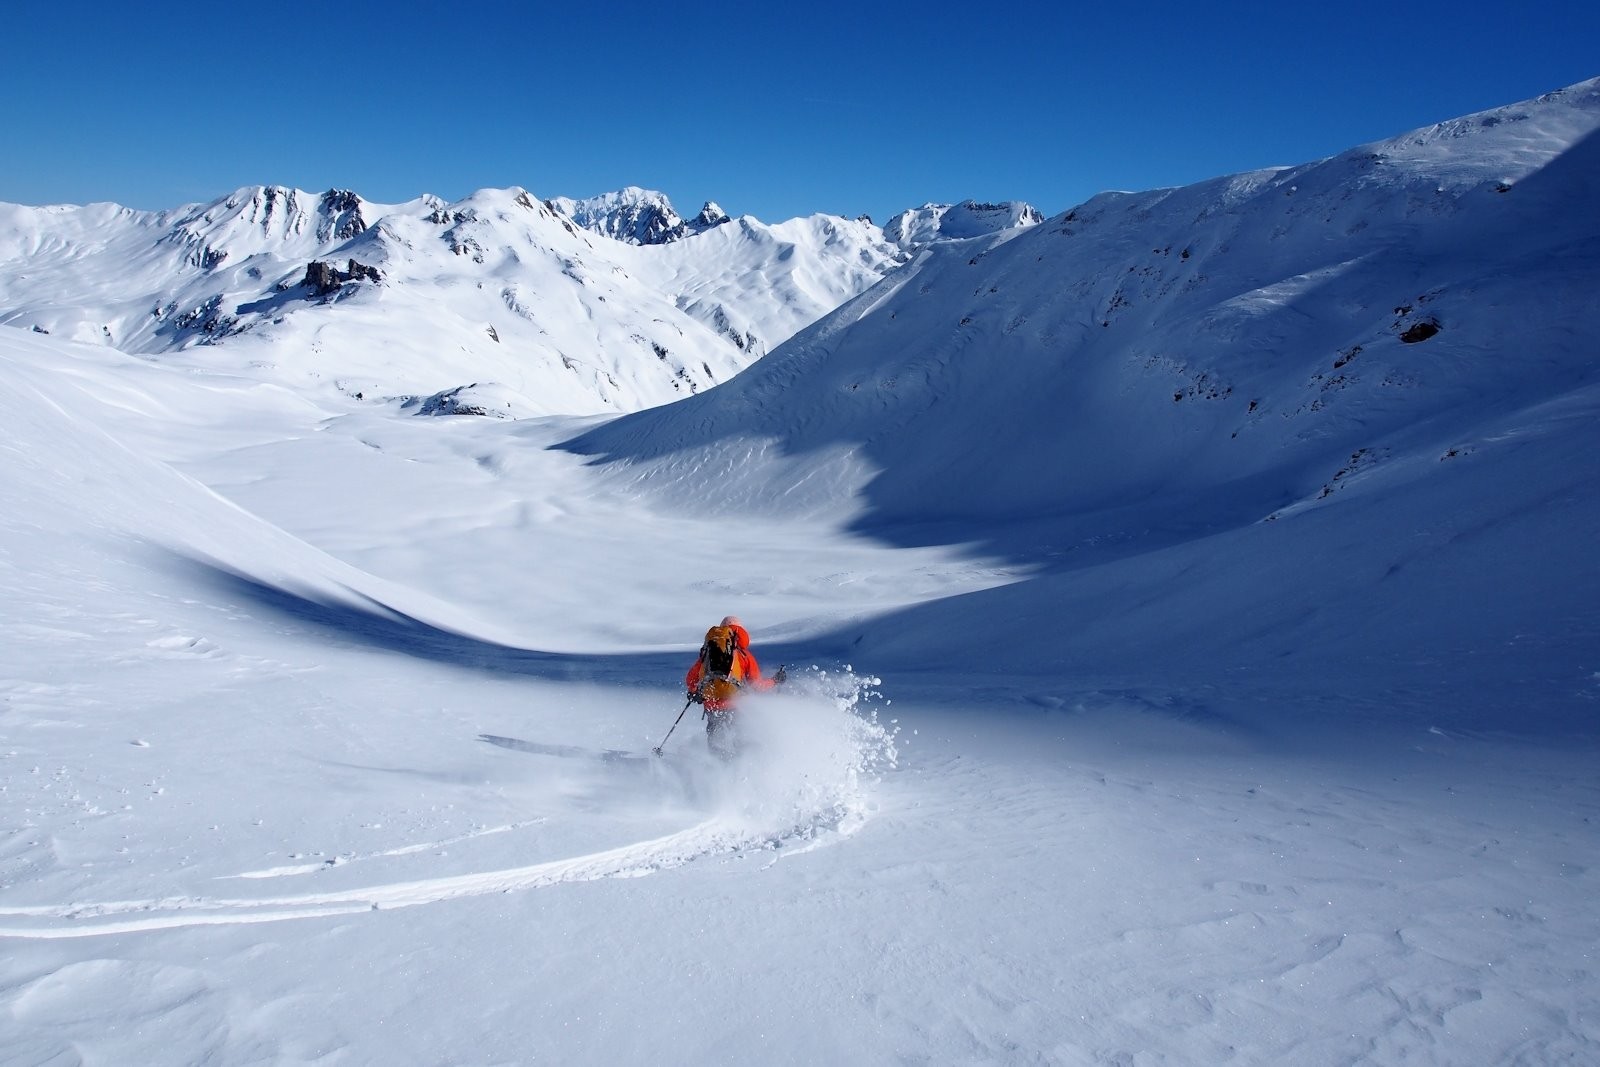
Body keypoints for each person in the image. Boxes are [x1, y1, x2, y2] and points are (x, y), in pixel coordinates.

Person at [685, 615, 786, 754]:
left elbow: (690, 679)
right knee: (739, 740)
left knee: (716, 742)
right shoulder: (744, 655)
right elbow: (757, 686)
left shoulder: (708, 653)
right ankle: (740, 768)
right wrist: (775, 680)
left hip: (712, 706)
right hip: (736, 705)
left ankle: (715, 769)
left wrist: (695, 692)